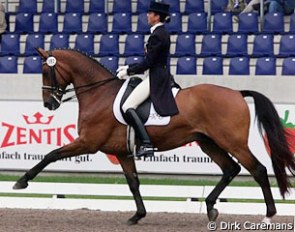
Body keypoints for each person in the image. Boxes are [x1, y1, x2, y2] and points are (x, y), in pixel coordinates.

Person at [116, 0, 179, 158]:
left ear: (157, 17)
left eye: (150, 13)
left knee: (128, 106)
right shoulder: (158, 33)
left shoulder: (158, 35)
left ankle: (146, 144)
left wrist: (128, 71)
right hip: (155, 74)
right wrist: (129, 68)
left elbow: (149, 63)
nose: (147, 15)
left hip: (156, 77)